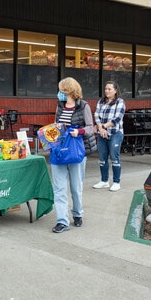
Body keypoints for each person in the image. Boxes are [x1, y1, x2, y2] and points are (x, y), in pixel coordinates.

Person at [50, 77, 97, 233]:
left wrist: (79, 131)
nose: (59, 94)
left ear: (69, 90)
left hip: (76, 151)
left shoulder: (83, 106)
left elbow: (91, 127)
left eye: (61, 90)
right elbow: (56, 123)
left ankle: (77, 214)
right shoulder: (60, 106)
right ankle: (62, 221)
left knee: (76, 187)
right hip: (59, 150)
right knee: (59, 188)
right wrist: (57, 127)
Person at [92, 80, 126, 191]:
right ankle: (104, 181)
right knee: (102, 158)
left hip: (115, 133)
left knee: (114, 157)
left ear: (115, 90)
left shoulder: (120, 102)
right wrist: (101, 129)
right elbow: (96, 115)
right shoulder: (101, 102)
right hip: (102, 134)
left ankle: (116, 182)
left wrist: (104, 127)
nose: (107, 91)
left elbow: (117, 118)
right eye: (106, 89)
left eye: (109, 89)